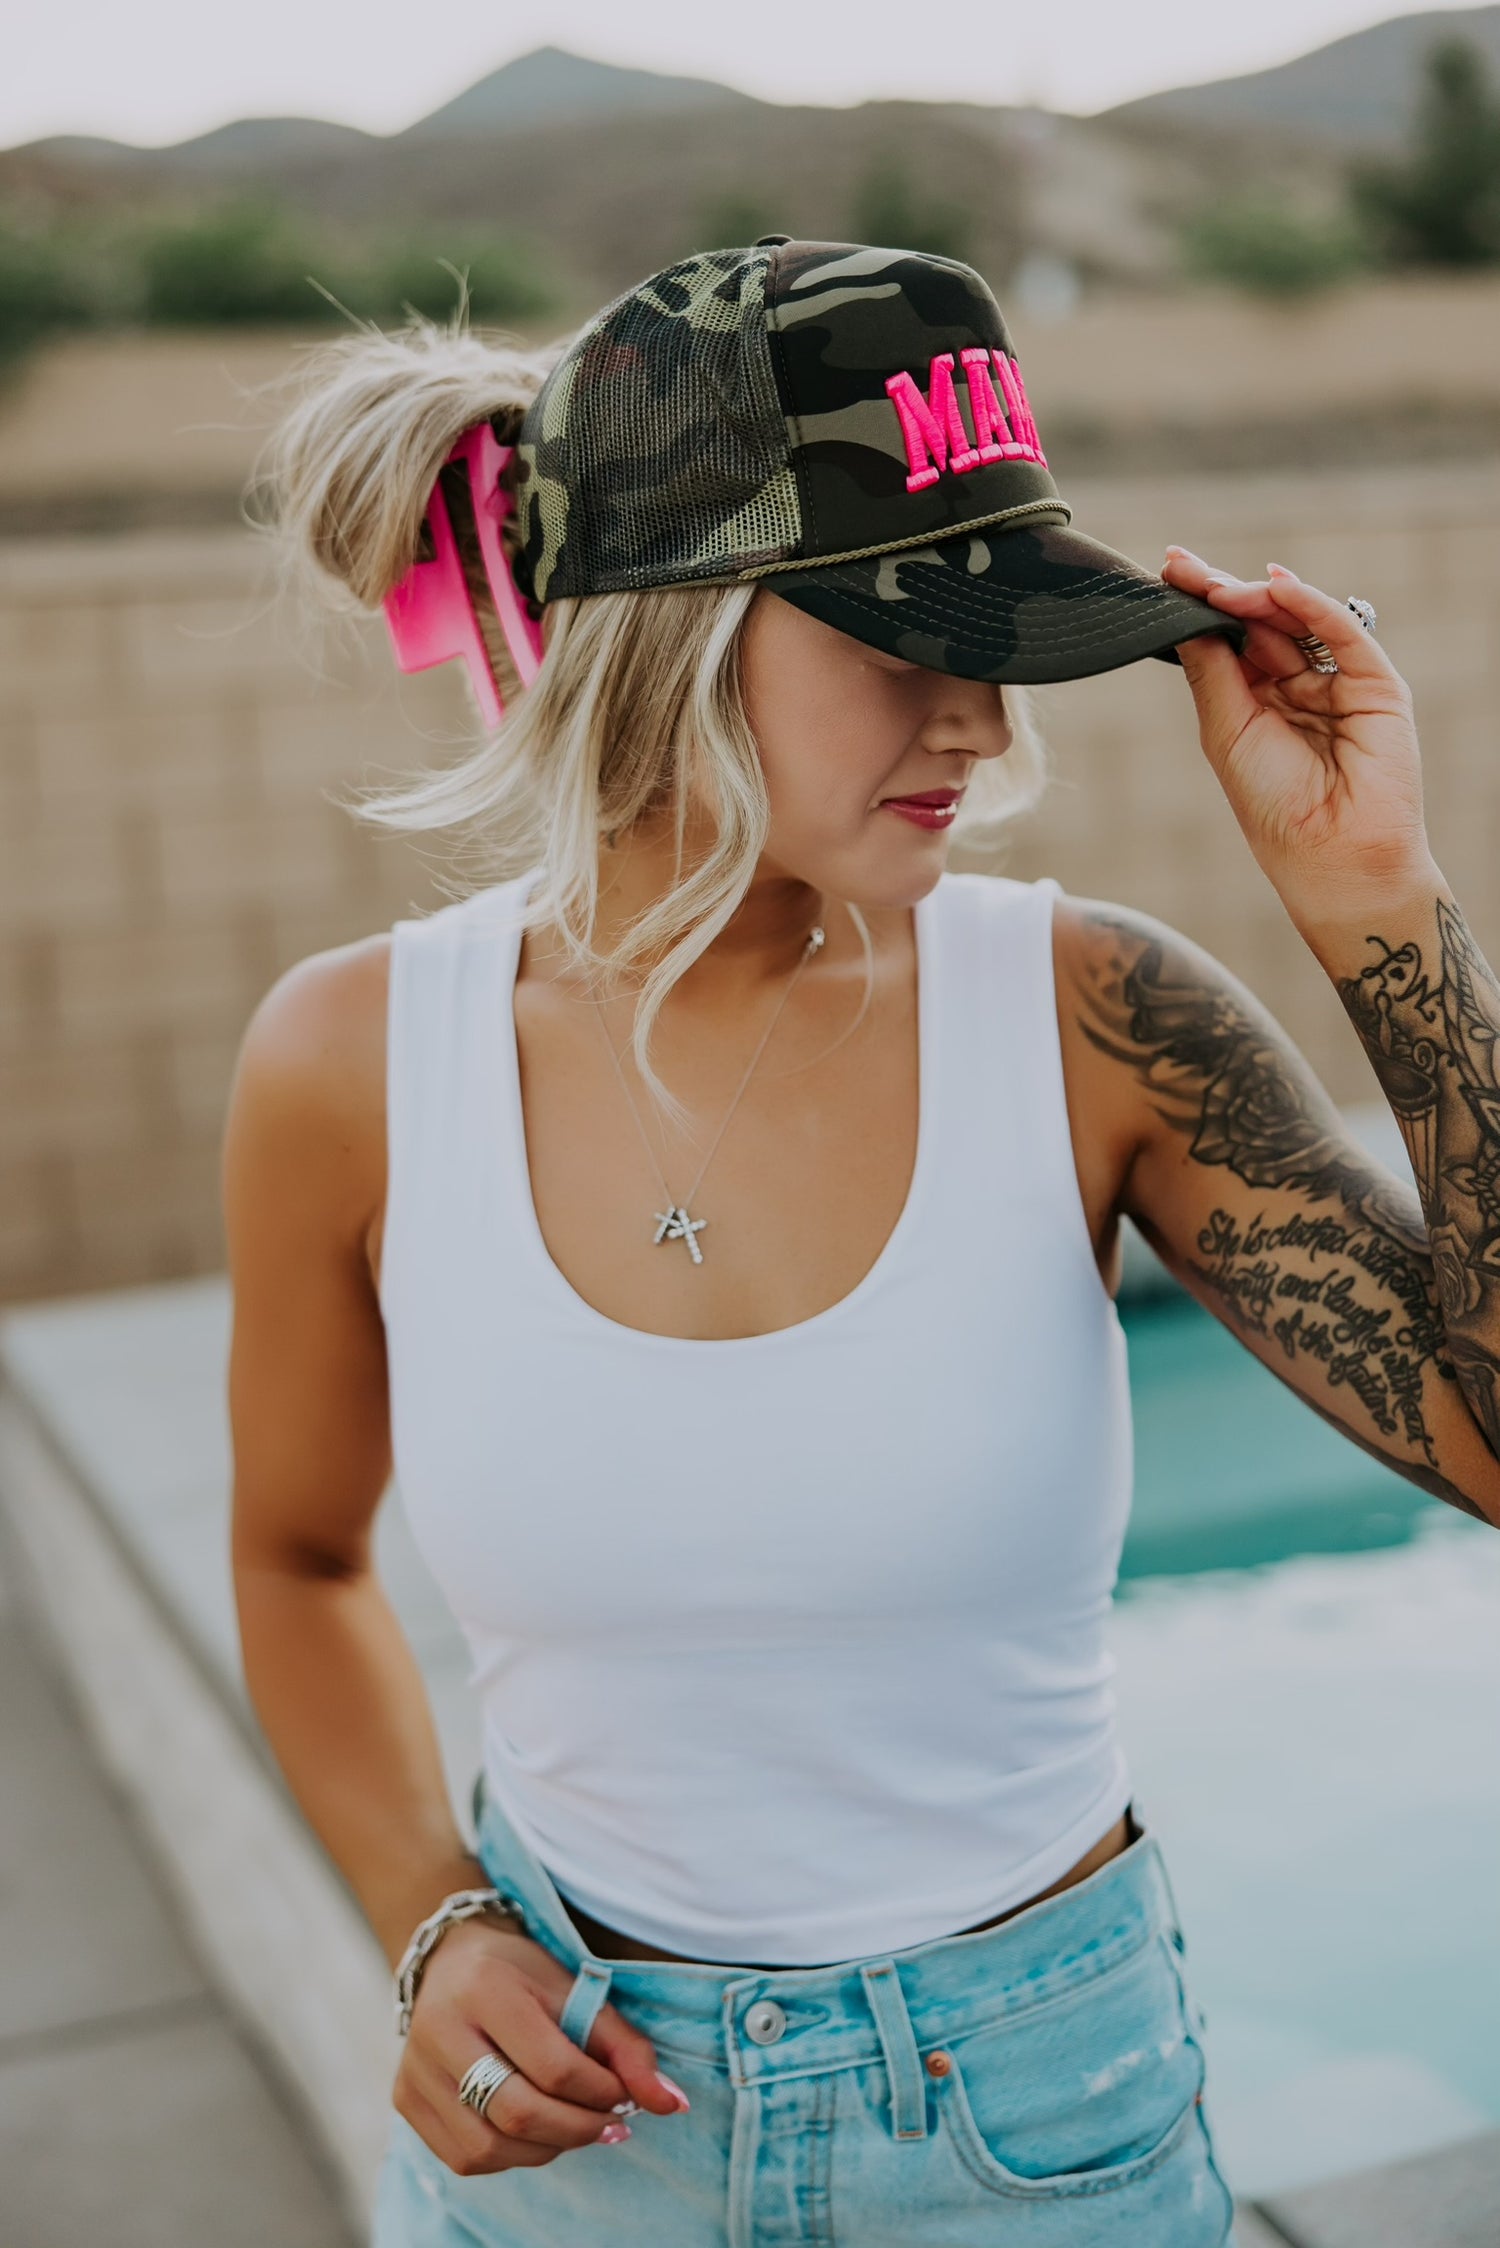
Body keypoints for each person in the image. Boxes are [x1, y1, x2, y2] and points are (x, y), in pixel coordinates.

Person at [223, 239, 1500, 2248]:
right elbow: (295, 1558)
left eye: (998, 633)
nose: (981, 721)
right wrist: (429, 1917)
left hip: (1043, 2128)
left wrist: (1383, 909)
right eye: (906, 635)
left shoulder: (1093, 1024)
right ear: (667, 626)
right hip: (574, 2135)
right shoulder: (348, 1063)